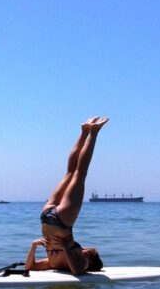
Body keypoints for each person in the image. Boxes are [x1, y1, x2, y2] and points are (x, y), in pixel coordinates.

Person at [26, 117, 107, 275]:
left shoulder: (80, 262)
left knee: (77, 173)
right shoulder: (63, 258)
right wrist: (65, 247)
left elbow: (30, 266)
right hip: (48, 218)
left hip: (58, 220)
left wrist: (33, 246)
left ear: (91, 261)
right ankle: (85, 132)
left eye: (92, 252)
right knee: (73, 172)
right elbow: (32, 267)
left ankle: (92, 132)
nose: (88, 249)